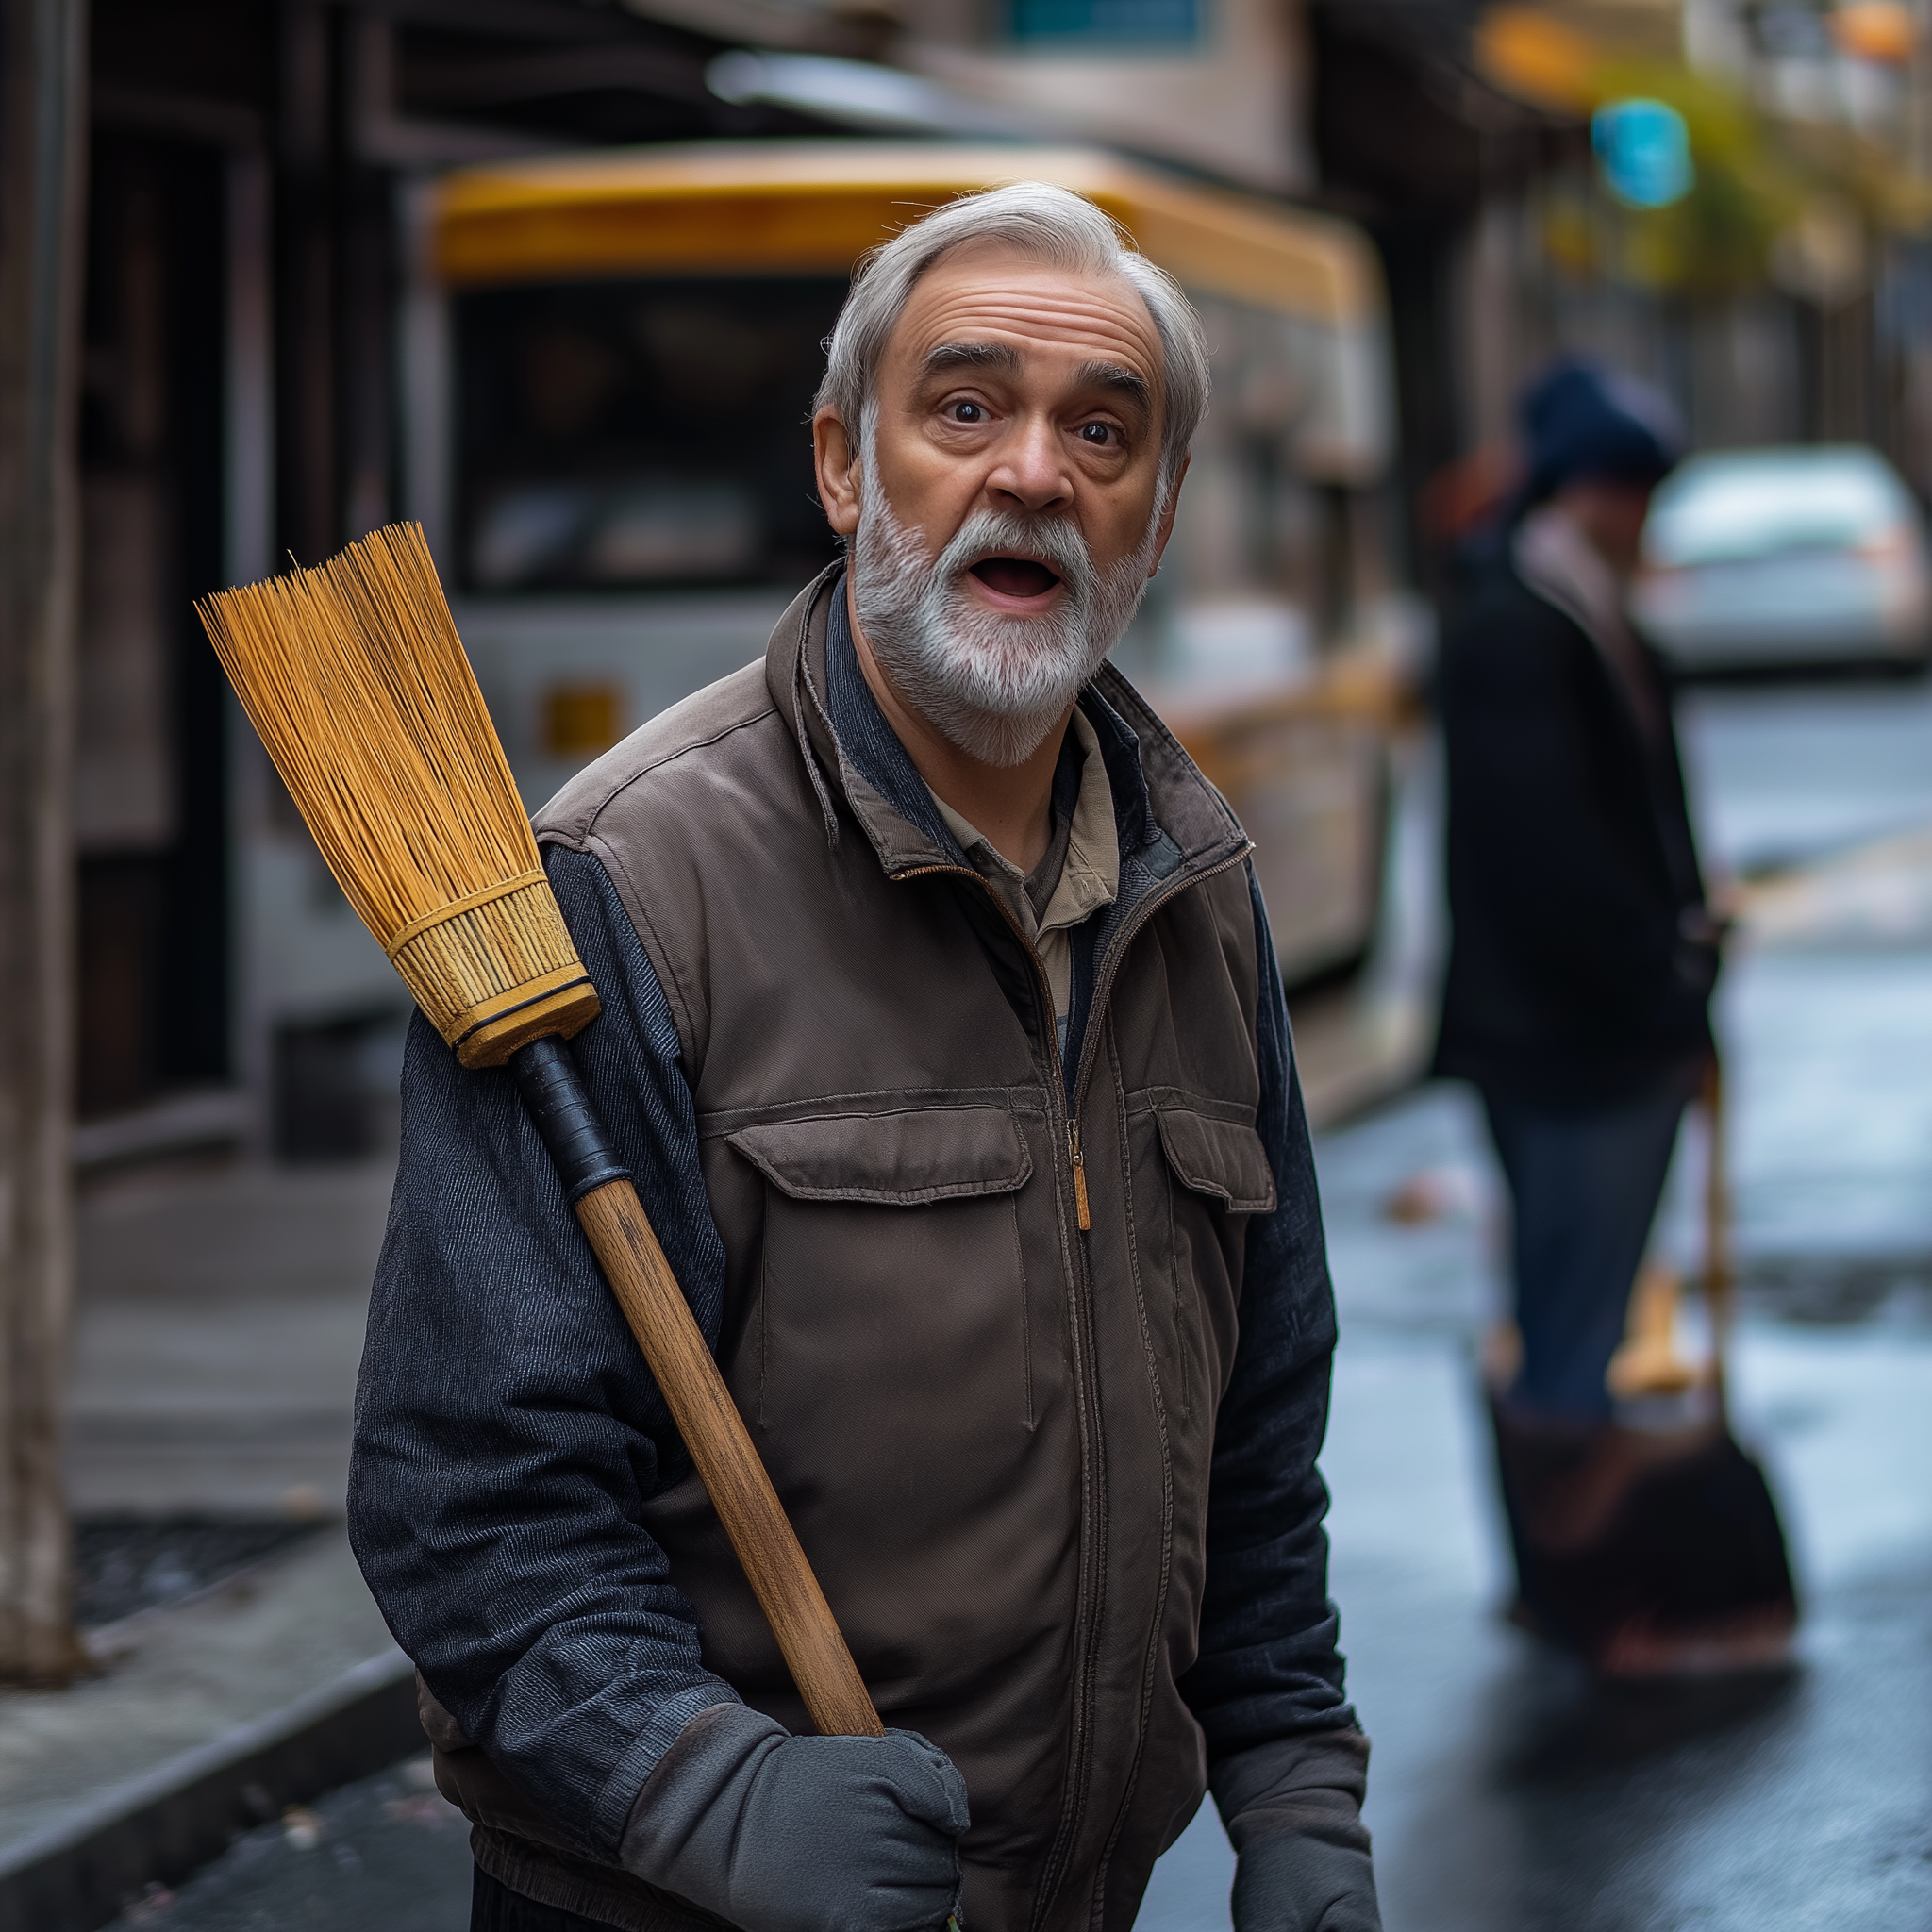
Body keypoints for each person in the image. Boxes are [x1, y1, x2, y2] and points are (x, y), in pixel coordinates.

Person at [349, 184, 1381, 1932]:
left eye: (1102, 430)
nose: (1036, 474)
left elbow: (1256, 1439)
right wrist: (701, 1788)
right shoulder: (619, 888)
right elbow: (470, 1488)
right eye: (965, 408)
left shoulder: (1196, 894)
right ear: (846, 467)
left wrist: (1296, 1793)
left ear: (1161, 511)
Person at [1434, 360, 1792, 1675]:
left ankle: (1564, 1579)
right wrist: (1667, 978)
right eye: (1629, 488)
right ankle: (1591, 1590)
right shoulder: (1519, 622)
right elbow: (1551, 859)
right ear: (1581, 489)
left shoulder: (1571, 607)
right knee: (1574, 1322)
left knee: (1565, 1310)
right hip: (1577, 1043)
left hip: (1594, 1031)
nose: (1643, 517)